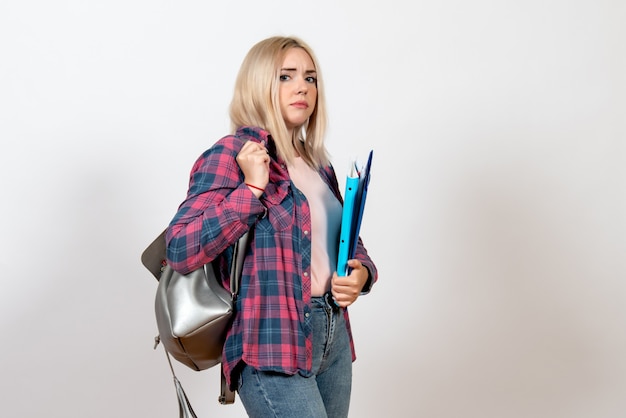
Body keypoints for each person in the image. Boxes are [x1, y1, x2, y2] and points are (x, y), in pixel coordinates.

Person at [165, 36, 378, 418]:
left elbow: (346, 241)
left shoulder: (318, 165)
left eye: (310, 78)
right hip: (271, 345)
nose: (302, 87)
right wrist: (250, 189)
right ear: (259, 84)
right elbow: (180, 248)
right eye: (286, 76)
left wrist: (361, 273)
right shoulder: (232, 156)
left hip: (333, 339)